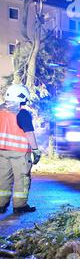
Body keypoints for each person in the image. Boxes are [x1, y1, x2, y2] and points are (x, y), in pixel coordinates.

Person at [0, 84, 41, 214]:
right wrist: (35, 150)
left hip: (2, 152)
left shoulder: (0, 111)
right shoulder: (22, 113)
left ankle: (1, 205)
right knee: (22, 178)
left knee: (3, 178)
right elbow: (29, 133)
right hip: (19, 153)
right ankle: (20, 205)